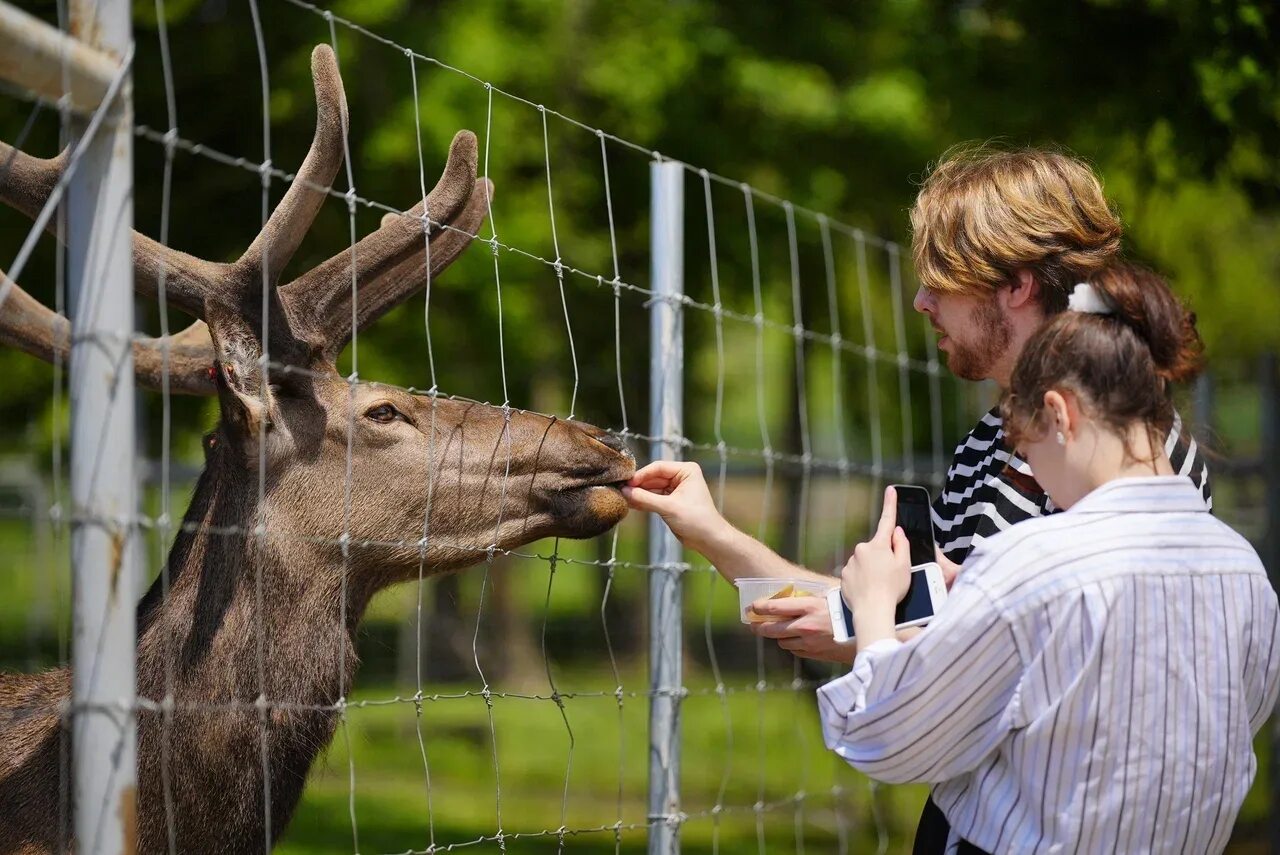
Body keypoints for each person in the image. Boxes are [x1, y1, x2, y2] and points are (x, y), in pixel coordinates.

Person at [623, 145, 1214, 851]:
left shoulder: (1130, 448)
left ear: (1016, 285)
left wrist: (884, 625)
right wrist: (711, 531)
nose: (922, 301)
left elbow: (965, 653)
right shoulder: (989, 444)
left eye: (941, 280)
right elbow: (917, 620)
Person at [819, 264, 1280, 854]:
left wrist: (876, 609)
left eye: (1025, 446)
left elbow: (888, 735)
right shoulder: (1243, 570)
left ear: (1059, 415)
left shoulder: (1032, 564)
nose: (1031, 470)